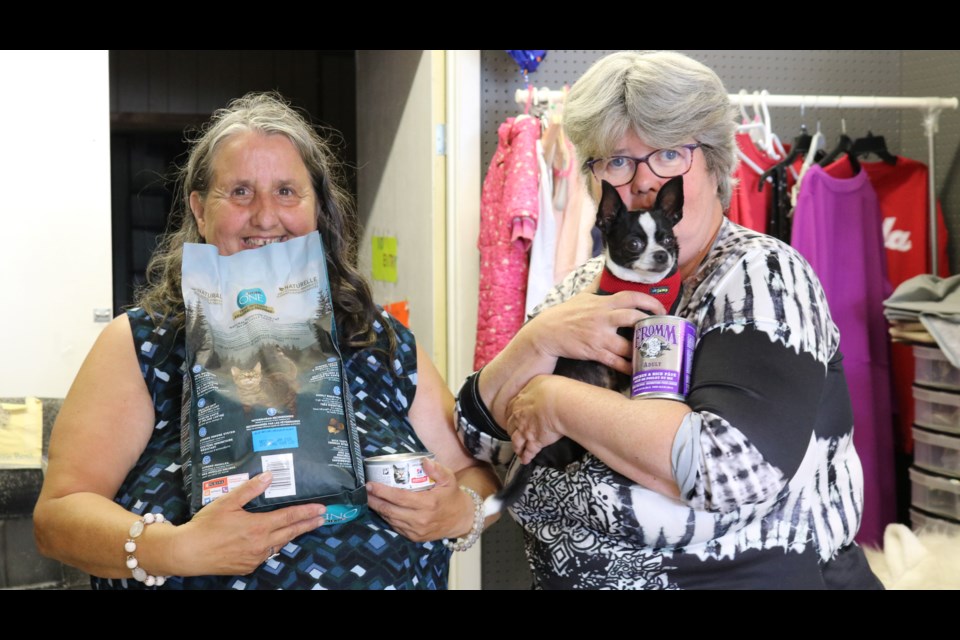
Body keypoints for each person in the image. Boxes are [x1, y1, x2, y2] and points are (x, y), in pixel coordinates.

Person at [33, 92, 499, 590]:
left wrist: (461, 512)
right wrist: (173, 547)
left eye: (286, 192)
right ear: (200, 209)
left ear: (316, 208)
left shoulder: (377, 337)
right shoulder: (141, 344)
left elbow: (476, 477)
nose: (264, 216)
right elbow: (56, 519)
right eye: (239, 192)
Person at [455, 51, 882, 589]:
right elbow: (480, 438)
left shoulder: (758, 277)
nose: (643, 183)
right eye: (615, 161)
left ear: (714, 160)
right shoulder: (578, 287)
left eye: (669, 154)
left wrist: (557, 400)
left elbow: (727, 470)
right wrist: (535, 342)